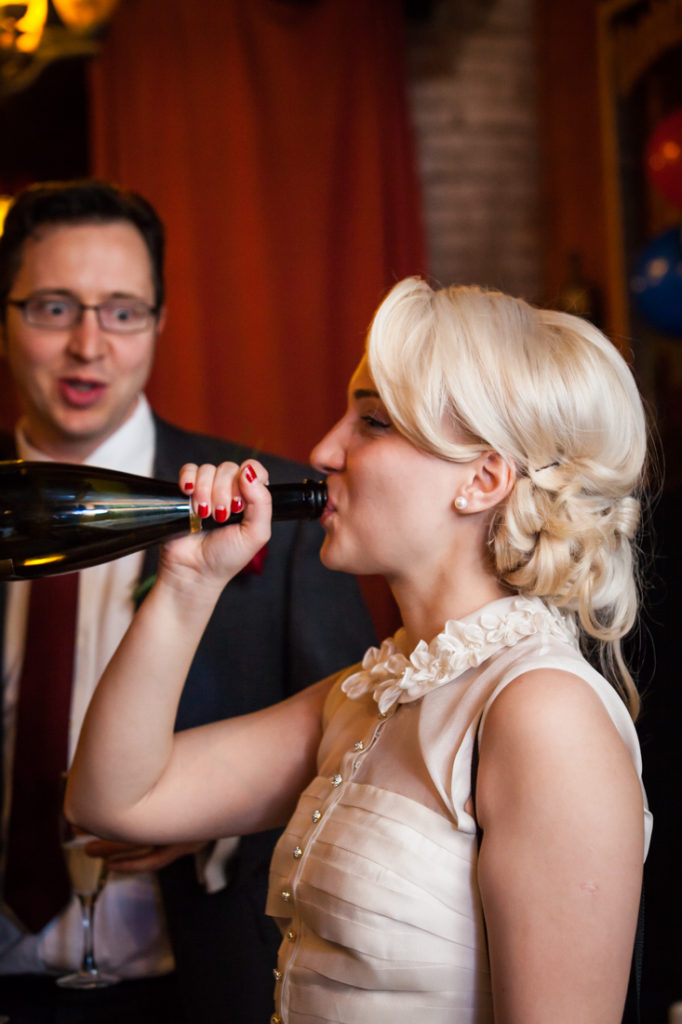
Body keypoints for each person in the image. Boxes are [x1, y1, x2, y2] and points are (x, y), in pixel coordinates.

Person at [66, 275, 653, 1023]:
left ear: (482, 479)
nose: (322, 450)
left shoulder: (542, 713)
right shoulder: (366, 694)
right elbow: (113, 800)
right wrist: (187, 584)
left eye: (372, 422)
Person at [0, 179, 377, 1024]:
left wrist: (221, 817)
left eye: (123, 312)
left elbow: (360, 748)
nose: (88, 346)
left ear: (161, 322)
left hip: (196, 982)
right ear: (6, 315)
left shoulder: (271, 506)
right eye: (54, 309)